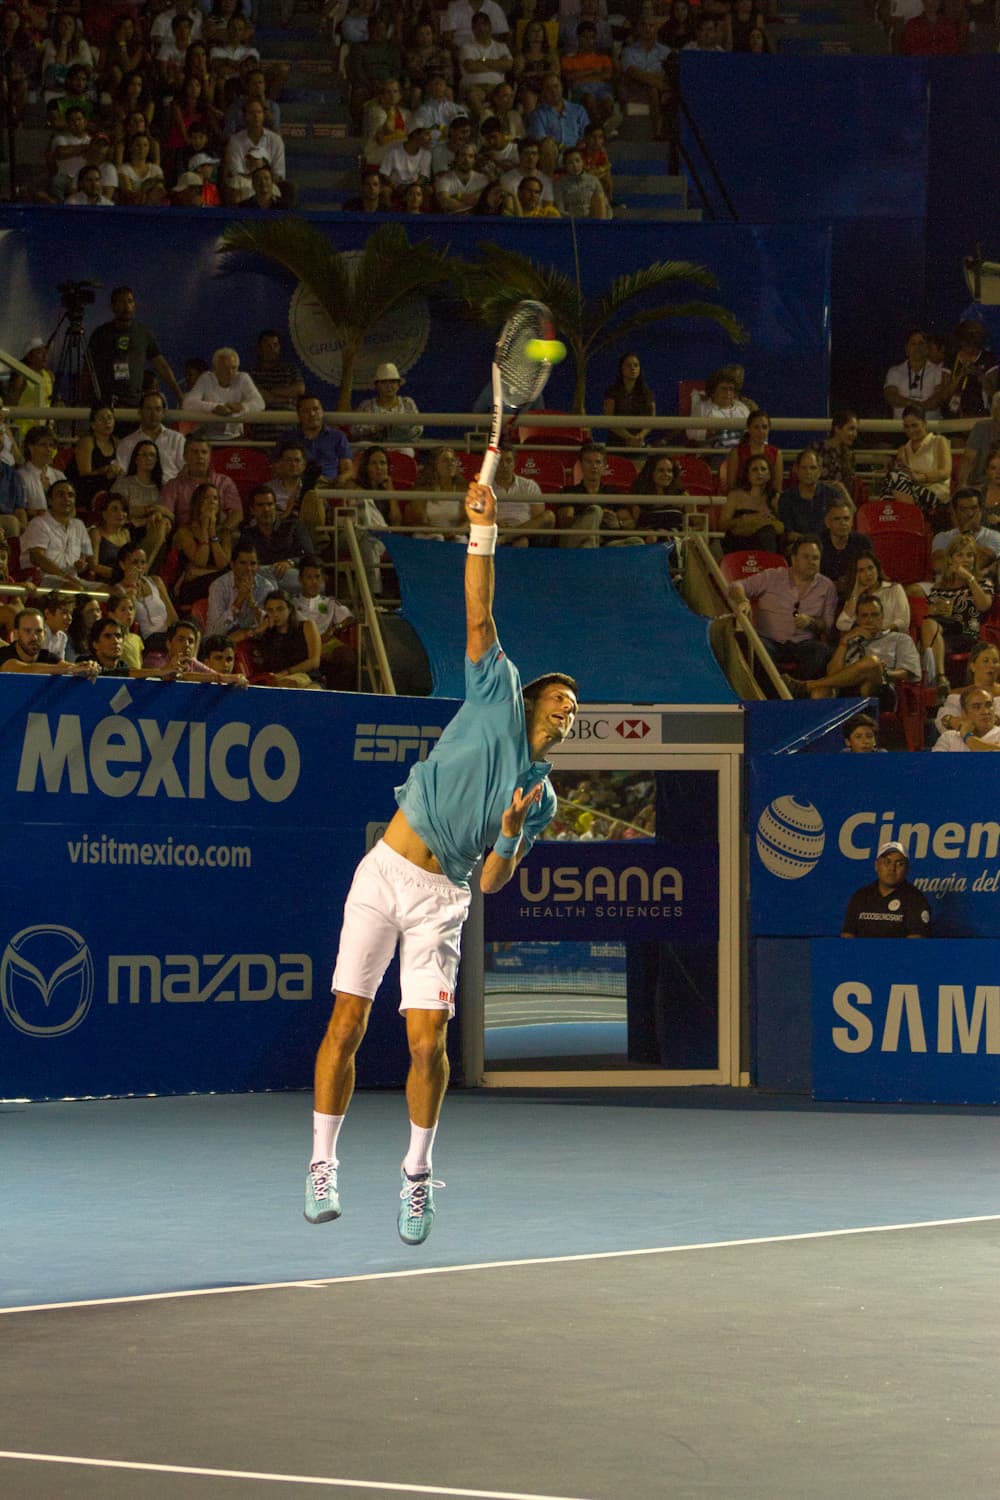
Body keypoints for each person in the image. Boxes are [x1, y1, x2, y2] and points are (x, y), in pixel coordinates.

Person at [306, 478, 578, 1243]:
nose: (569, 710)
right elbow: (478, 609)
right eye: (561, 699)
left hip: (443, 900)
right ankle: (322, 1163)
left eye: (576, 710)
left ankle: (416, 1178)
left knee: (428, 1044)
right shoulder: (496, 690)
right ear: (533, 699)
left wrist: (508, 832)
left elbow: (492, 881)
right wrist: (482, 531)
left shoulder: (545, 798)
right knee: (346, 1024)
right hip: (383, 872)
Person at [728, 535, 837, 679]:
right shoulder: (772, 576)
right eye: (806, 557)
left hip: (802, 644)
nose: (811, 562)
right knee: (753, 645)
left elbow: (827, 626)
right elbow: (736, 585)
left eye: (815, 558)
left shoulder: (827, 586)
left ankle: (794, 690)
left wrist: (811, 622)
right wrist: (743, 600)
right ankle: (771, 696)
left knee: (821, 651)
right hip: (769, 640)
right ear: (794, 559)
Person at [784, 593, 921, 705]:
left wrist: (884, 671)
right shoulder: (851, 640)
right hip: (846, 688)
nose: (869, 620)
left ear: (882, 617)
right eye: (864, 616)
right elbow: (833, 673)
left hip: (880, 688)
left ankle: (807, 685)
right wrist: (844, 641)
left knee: (872, 662)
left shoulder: (899, 639)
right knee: (820, 692)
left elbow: (909, 672)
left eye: (874, 615)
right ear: (858, 619)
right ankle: (823, 732)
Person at [915, 533, 994, 696]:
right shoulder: (939, 588)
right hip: (941, 633)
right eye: (960, 555)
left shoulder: (982, 583)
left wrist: (970, 578)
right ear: (950, 560)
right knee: (929, 624)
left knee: (929, 642)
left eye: (970, 555)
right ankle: (941, 679)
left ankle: (933, 681)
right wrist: (935, 610)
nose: (966, 559)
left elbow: (984, 605)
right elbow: (930, 616)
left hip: (966, 634)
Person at [87, 286, 184, 412]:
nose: (127, 306)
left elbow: (162, 366)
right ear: (112, 307)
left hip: (135, 404)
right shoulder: (100, 334)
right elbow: (88, 370)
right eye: (121, 302)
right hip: (106, 405)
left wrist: (179, 395)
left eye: (130, 301)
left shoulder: (143, 333)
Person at [841, 842, 931, 937]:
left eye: (900, 864)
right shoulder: (861, 896)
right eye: (887, 862)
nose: (892, 868)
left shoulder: (915, 899)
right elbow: (847, 935)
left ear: (907, 869)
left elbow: (916, 943)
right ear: (876, 865)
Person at [294, 556, 358, 690]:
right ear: (300, 579)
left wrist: (335, 628)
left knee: (348, 657)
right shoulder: (292, 603)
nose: (314, 582)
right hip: (301, 645)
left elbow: (350, 618)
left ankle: (338, 697)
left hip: (326, 642)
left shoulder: (329, 602)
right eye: (309, 577)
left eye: (317, 577)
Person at [159, 431, 243, 530]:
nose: (200, 456)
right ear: (185, 457)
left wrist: (225, 530)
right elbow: (165, 512)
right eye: (194, 452)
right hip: (186, 535)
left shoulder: (224, 482)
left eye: (204, 452)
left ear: (210, 456)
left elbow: (237, 513)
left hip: (218, 532)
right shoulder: (173, 485)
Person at [21, 480, 96, 589]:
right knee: (76, 589)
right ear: (50, 501)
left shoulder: (78, 525)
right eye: (61, 494)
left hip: (73, 579)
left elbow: (84, 555)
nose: (67, 499)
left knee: (112, 591)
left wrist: (81, 562)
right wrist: (65, 576)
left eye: (70, 495)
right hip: (41, 579)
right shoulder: (39, 523)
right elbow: (37, 558)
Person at [881, 406, 952, 520]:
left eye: (914, 425)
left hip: (935, 495)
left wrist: (919, 478)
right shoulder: (904, 449)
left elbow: (945, 472)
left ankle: (893, 518)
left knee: (892, 483)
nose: (910, 430)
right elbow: (902, 475)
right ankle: (904, 517)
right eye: (906, 426)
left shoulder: (938, 441)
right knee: (893, 476)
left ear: (924, 423)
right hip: (910, 493)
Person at [182, 348, 265, 441]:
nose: (230, 372)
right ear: (215, 368)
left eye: (234, 368)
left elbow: (260, 403)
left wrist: (243, 407)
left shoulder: (243, 378)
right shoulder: (206, 378)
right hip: (207, 438)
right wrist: (214, 408)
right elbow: (188, 403)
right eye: (225, 368)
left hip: (236, 438)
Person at [173, 482, 235, 605]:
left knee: (230, 577)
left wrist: (212, 530)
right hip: (193, 586)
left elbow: (223, 564)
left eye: (215, 498)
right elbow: (200, 561)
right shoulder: (185, 531)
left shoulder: (224, 532)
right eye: (207, 498)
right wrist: (204, 528)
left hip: (218, 580)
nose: (212, 502)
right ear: (198, 502)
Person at [246, 589, 323, 687]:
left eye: (280, 609)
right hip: (279, 681)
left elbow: (314, 661)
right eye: (270, 610)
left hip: (307, 677)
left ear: (290, 609)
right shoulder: (267, 634)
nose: (275, 614)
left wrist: (286, 672)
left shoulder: (307, 626)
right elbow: (232, 640)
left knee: (308, 688)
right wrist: (258, 630)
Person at [274, 394, 353, 486]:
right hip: (296, 486)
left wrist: (341, 479)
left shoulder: (338, 436)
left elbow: (348, 469)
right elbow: (276, 466)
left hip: (329, 485)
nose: (312, 414)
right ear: (298, 415)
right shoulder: (287, 437)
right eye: (306, 411)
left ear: (322, 412)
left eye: (315, 409)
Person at [0, 607, 100, 676]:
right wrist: (71, 669)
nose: (34, 637)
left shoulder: (46, 656)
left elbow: (67, 666)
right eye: (27, 631)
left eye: (39, 631)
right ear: (16, 634)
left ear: (44, 634)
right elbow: (26, 669)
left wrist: (87, 667)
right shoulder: (4, 654)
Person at [205, 543, 272, 641]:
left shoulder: (267, 587)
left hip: (254, 638)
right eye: (243, 563)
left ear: (258, 566)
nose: (248, 569)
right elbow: (215, 631)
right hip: (222, 641)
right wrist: (239, 601)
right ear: (232, 565)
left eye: (253, 564)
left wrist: (252, 602)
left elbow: (271, 625)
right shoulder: (218, 586)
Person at [352, 364, 424, 455]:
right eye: (384, 382)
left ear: (398, 385)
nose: (389, 386)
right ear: (377, 385)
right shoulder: (367, 405)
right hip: (373, 446)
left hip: (401, 445)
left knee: (407, 451)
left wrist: (400, 431)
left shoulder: (407, 403)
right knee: (361, 447)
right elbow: (355, 430)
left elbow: (418, 428)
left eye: (393, 382)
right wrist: (374, 430)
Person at [719, 453, 782, 554]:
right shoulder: (735, 495)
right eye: (754, 470)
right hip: (739, 545)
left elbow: (781, 527)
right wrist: (742, 519)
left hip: (766, 545)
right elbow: (722, 525)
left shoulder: (775, 497)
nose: (759, 473)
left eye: (763, 469)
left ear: (769, 474)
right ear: (747, 474)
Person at [116, 391, 186, 483]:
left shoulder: (177, 439)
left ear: (163, 412)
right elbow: (122, 475)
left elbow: (185, 469)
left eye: (158, 409)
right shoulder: (127, 443)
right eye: (148, 409)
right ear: (140, 412)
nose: (153, 414)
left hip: (171, 489)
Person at [836, 551, 910, 636]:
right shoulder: (856, 598)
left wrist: (883, 631)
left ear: (877, 569)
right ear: (856, 575)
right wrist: (855, 594)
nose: (868, 574)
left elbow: (904, 621)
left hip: (891, 638)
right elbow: (842, 625)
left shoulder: (894, 589)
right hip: (866, 642)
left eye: (870, 568)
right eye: (861, 571)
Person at [930, 488, 1000, 577]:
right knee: (914, 590)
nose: (970, 513)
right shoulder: (942, 537)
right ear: (955, 511)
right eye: (963, 509)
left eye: (974, 508)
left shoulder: (994, 536)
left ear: (981, 510)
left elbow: (979, 563)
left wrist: (967, 531)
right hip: (944, 585)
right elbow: (938, 566)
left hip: (976, 586)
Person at [493, 448, 555, 545]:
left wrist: (518, 529)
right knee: (522, 542)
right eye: (500, 461)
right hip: (496, 530)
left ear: (515, 463)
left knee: (548, 516)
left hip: (524, 531)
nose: (504, 465)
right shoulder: (485, 486)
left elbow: (538, 518)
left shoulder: (529, 485)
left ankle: (507, 537)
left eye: (508, 461)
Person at [936, 642, 1000, 737]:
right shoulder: (957, 695)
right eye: (986, 661)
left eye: (995, 661)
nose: (991, 665)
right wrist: (953, 721)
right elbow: (943, 719)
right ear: (973, 666)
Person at [67, 405, 123, 513]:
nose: (107, 421)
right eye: (102, 419)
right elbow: (84, 475)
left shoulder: (117, 443)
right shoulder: (87, 442)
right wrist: (104, 471)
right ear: (93, 425)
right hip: (85, 490)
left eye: (110, 418)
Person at [778, 449, 843, 541]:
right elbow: (787, 531)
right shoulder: (786, 498)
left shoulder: (832, 495)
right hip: (798, 547)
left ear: (820, 470)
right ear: (796, 470)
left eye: (812, 468)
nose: (808, 472)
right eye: (804, 468)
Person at [883, 329, 944, 420]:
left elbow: (938, 398)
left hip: (931, 427)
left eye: (921, 343)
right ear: (906, 349)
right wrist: (917, 405)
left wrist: (913, 405)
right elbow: (891, 396)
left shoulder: (937, 370)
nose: (917, 347)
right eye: (913, 343)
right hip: (902, 428)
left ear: (927, 348)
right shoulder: (894, 371)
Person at [721, 410, 785, 496]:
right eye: (756, 427)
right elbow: (731, 486)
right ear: (748, 429)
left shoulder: (777, 454)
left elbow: (777, 488)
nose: (761, 431)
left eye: (764, 427)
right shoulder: (736, 453)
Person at [819, 499, 873, 600]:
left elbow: (871, 572)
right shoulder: (817, 544)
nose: (843, 523)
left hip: (857, 595)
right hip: (823, 596)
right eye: (837, 519)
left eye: (846, 518)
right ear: (827, 522)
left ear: (852, 522)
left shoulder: (862, 542)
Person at [602, 354, 655, 448]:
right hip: (616, 443)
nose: (632, 368)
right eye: (628, 365)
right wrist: (629, 438)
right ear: (621, 369)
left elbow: (652, 419)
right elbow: (608, 418)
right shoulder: (612, 391)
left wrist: (640, 436)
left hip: (639, 443)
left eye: (636, 365)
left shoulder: (647, 393)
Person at [250, 330, 305, 414]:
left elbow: (299, 389)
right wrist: (286, 398)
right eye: (268, 345)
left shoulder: (290, 369)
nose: (272, 349)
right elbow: (260, 396)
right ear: (259, 349)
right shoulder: (252, 373)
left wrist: (271, 392)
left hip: (289, 423)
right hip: (261, 423)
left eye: (275, 345)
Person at [630, 453, 686, 537]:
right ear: (650, 472)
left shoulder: (682, 495)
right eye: (661, 470)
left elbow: (697, 524)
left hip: (677, 539)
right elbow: (636, 525)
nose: (666, 474)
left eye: (669, 471)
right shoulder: (640, 495)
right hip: (650, 541)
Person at [932, 685, 1000, 751]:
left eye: (989, 705)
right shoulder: (949, 738)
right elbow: (936, 761)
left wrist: (967, 736)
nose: (985, 711)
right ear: (964, 713)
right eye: (976, 707)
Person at [957, 392, 1000, 489]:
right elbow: (968, 460)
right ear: (993, 410)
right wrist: (961, 486)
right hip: (981, 484)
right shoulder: (981, 427)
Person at [88, 492, 132, 583]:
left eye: (124, 510)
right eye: (114, 509)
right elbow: (93, 566)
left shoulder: (126, 533)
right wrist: (119, 574)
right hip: (105, 581)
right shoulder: (96, 533)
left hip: (125, 579)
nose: (121, 513)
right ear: (104, 514)